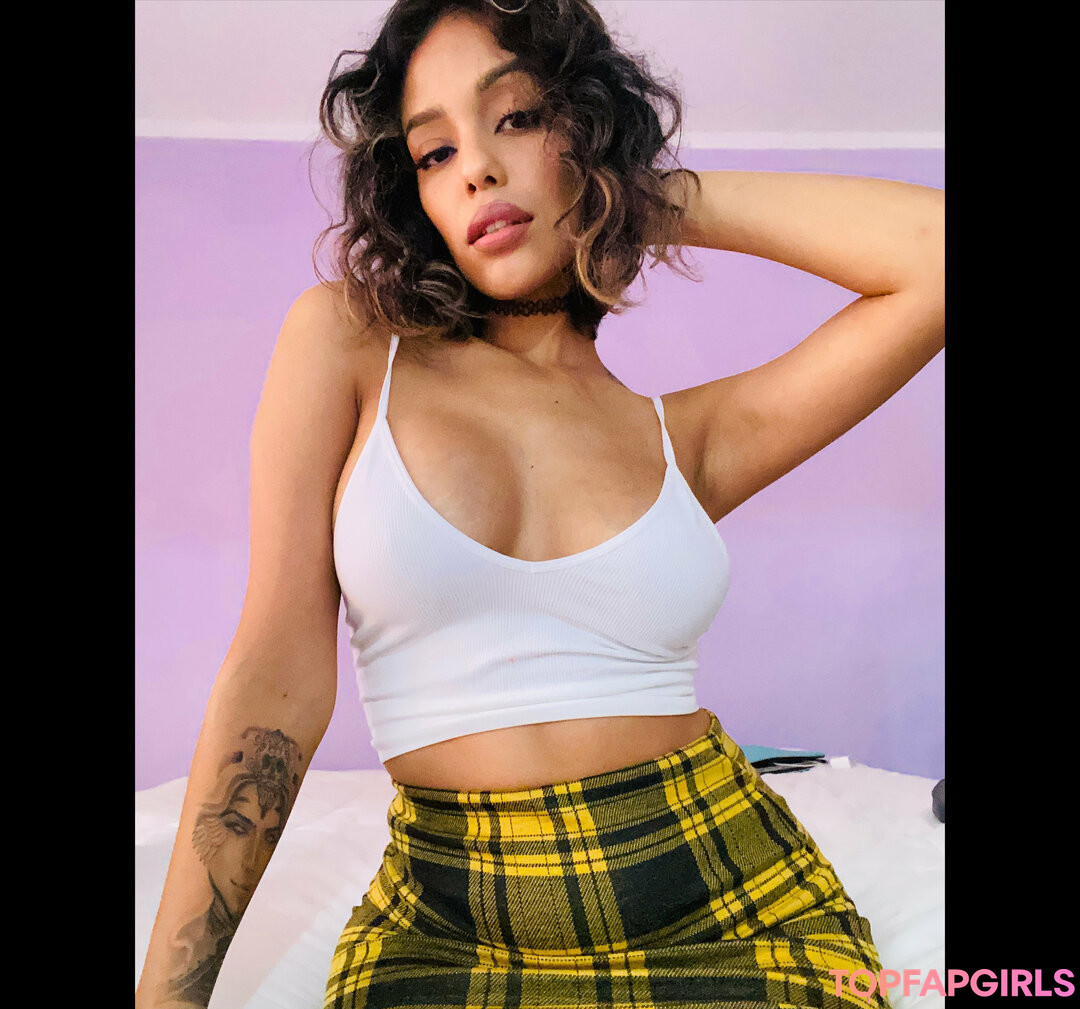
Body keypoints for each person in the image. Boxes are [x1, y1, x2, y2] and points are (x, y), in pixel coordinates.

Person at [136, 0, 944, 1006]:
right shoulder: (350, 343)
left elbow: (932, 259)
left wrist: (634, 194)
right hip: (453, 920)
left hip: (724, 887)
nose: (475, 168)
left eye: (515, 117)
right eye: (434, 152)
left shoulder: (686, 438)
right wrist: (166, 998)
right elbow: (275, 673)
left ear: (588, 134)